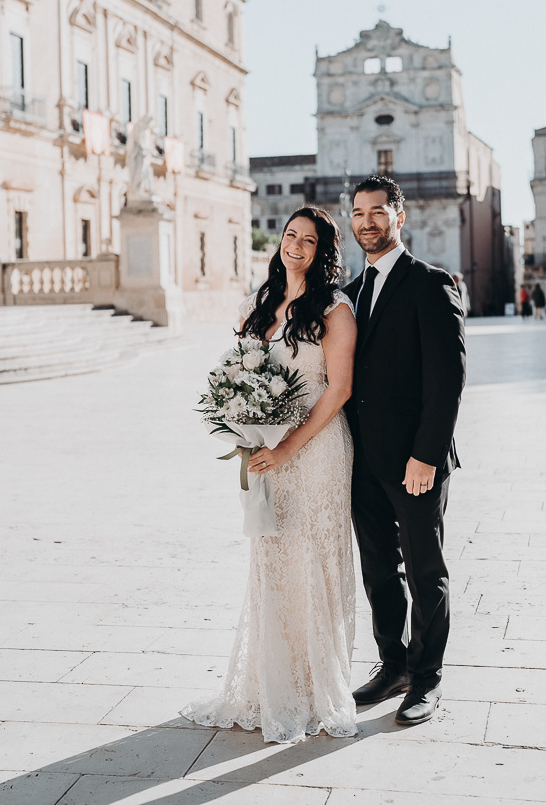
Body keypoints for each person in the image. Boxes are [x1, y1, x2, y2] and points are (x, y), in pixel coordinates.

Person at [180, 207, 357, 743]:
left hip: (318, 450)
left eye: (309, 240)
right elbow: (242, 375)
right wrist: (248, 431)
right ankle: (268, 683)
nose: (296, 246)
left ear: (324, 250)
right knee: (274, 561)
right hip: (266, 453)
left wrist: (288, 447)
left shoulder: (334, 309)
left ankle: (312, 687)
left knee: (314, 562)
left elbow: (339, 388)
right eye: (289, 236)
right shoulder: (255, 307)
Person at [344, 176, 466, 726]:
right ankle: (391, 665)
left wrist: (427, 455)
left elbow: (448, 380)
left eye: (377, 211)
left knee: (424, 569)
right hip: (362, 461)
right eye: (358, 212)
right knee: (377, 569)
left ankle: (426, 678)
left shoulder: (430, 283)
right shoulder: (350, 290)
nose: (367, 221)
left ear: (400, 216)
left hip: (415, 460)